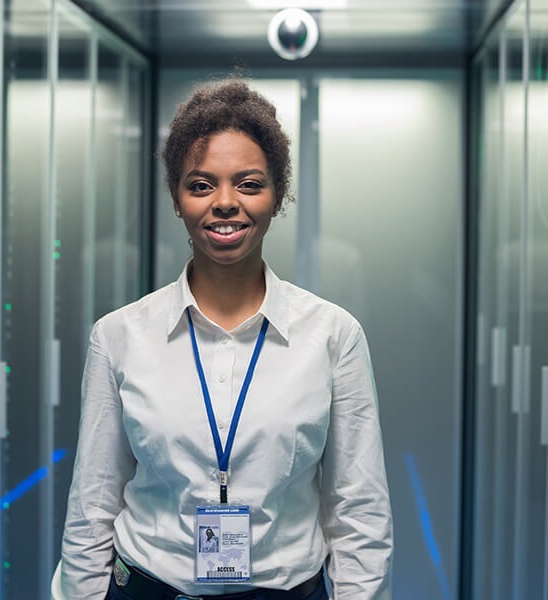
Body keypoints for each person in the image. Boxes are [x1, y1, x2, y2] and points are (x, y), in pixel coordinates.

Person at [52, 77, 392, 600]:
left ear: (278, 196)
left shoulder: (333, 336)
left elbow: (359, 512)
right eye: (201, 184)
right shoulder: (119, 337)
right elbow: (92, 507)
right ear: (177, 197)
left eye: (249, 184)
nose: (226, 203)